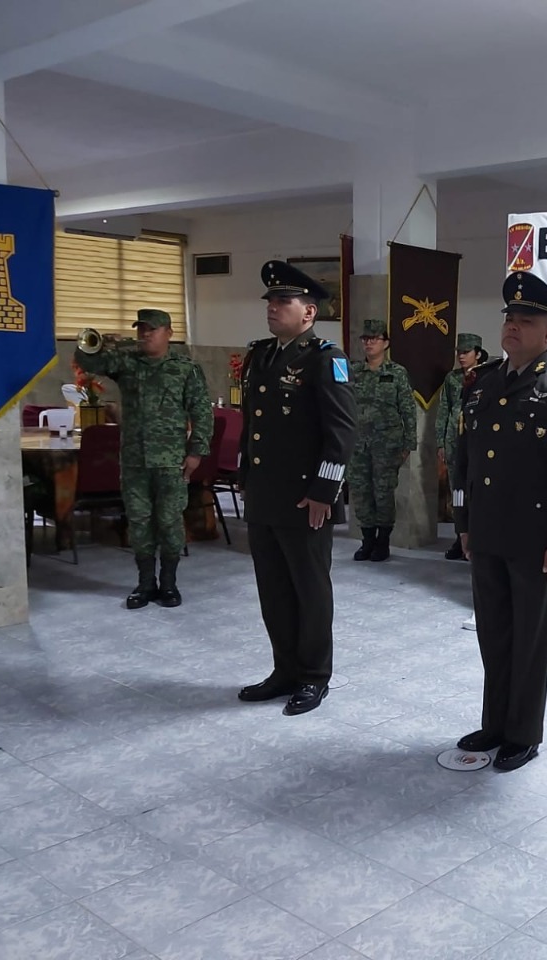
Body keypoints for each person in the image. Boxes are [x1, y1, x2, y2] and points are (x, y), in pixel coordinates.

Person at [451, 271, 547, 771]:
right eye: (510, 318)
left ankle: (523, 732)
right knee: (494, 634)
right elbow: (464, 460)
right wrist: (463, 523)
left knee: (529, 640)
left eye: (526, 320)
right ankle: (494, 722)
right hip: (487, 533)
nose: (513, 326)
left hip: (536, 540)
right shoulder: (482, 383)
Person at [237, 261, 356, 716]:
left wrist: (325, 491)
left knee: (309, 588)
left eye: (282, 301)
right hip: (265, 494)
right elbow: (253, 424)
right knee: (273, 589)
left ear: (308, 312)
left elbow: (341, 430)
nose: (271, 308)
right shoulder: (261, 355)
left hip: (306, 498)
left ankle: (313, 675)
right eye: (270, 301)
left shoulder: (326, 357)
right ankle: (283, 669)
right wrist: (245, 478)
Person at [74, 308, 212, 609]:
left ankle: (170, 583)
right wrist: (101, 344)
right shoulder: (127, 363)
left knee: (169, 521)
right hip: (135, 458)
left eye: (152, 329)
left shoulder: (185, 368)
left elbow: (201, 412)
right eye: (141, 329)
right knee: (139, 521)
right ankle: (145, 583)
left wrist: (196, 452)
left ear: (169, 334)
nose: (145, 334)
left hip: (171, 459)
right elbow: (88, 362)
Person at [347, 317, 417, 562]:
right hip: (357, 444)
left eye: (374, 339)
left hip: (387, 444)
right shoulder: (353, 371)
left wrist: (409, 443)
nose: (369, 343)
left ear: (385, 343)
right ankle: (367, 540)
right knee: (360, 491)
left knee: (383, 492)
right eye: (365, 339)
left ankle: (382, 541)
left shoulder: (396, 373)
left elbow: (407, 408)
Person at [436, 332, 484, 560]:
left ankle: (476, 538)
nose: (461, 357)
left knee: (475, 492)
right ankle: (459, 537)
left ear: (477, 353)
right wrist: (440, 441)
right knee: (457, 491)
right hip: (454, 441)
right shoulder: (452, 378)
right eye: (458, 352)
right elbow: (444, 410)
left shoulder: (486, 377)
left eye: (466, 352)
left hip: (476, 442)